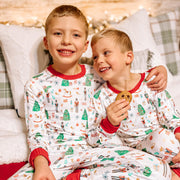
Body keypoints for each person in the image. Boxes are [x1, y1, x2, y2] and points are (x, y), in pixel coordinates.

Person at [9, 5, 172, 180]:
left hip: (98, 152)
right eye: (58, 33)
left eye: (76, 35)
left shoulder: (98, 72)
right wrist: (41, 167)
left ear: (85, 45)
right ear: (46, 42)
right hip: (58, 157)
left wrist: (159, 69)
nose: (66, 41)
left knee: (152, 166)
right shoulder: (36, 86)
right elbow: (37, 133)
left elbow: (127, 73)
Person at [87, 28, 180, 179]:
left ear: (128, 57)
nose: (99, 61)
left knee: (163, 138)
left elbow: (171, 117)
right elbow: (93, 140)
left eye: (106, 53)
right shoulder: (100, 97)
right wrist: (109, 123)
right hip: (131, 153)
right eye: (95, 57)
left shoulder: (150, 83)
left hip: (159, 144)